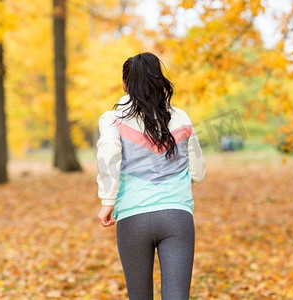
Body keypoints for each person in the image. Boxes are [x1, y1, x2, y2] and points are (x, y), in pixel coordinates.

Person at [95, 52, 206, 299]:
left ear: (125, 84)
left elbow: (109, 155)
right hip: (177, 217)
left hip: (133, 218)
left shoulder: (112, 119)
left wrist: (108, 200)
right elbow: (197, 171)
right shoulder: (180, 117)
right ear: (159, 80)